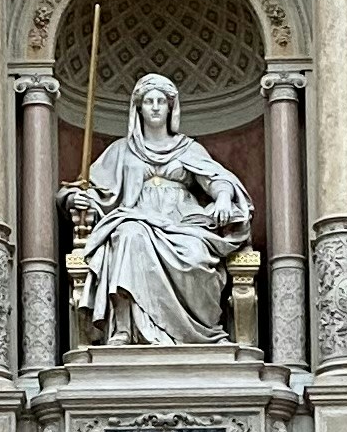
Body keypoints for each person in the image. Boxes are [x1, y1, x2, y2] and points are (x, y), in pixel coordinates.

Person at [66, 70, 251, 348]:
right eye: (149, 101)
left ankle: (197, 333)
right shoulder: (121, 150)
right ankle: (125, 331)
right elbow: (86, 189)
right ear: (138, 108)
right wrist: (76, 200)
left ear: (170, 107)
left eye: (161, 101)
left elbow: (218, 180)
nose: (154, 107)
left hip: (183, 223)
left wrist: (223, 198)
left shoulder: (188, 148)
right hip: (136, 217)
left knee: (196, 255)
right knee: (128, 235)